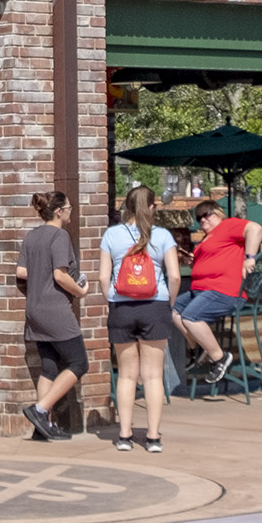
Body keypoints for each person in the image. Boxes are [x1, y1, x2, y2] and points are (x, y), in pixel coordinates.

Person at [98, 185, 179, 453]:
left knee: (126, 376)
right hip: (155, 306)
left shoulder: (112, 235)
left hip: (122, 307)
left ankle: (124, 435)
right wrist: (169, 302)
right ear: (152, 208)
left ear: (127, 208)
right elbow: (175, 276)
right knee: (153, 376)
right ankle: (153, 438)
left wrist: (111, 300)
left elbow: (103, 277)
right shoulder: (163, 235)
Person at [12, 190, 87, 441]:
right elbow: (60, 275)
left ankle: (42, 428)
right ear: (59, 211)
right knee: (79, 363)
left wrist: (39, 272)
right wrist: (81, 291)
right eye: (69, 207)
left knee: (50, 366)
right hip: (55, 310)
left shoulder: (32, 236)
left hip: (34, 310)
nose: (71, 210)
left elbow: (21, 271)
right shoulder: (59, 235)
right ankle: (40, 410)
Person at [175, 197, 262, 380]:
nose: (202, 220)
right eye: (198, 218)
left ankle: (219, 357)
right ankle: (199, 348)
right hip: (202, 290)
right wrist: (190, 260)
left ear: (217, 213)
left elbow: (255, 229)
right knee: (173, 310)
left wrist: (250, 257)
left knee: (190, 317)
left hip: (224, 290)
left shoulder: (228, 225)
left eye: (206, 215)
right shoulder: (206, 239)